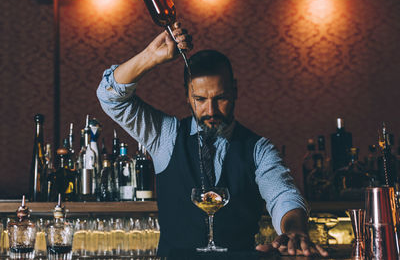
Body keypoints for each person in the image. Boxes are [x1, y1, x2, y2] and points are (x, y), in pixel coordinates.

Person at [97, 22, 328, 257]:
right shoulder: (164, 135)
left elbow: (283, 195)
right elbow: (110, 97)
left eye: (221, 98)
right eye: (200, 99)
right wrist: (150, 57)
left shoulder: (258, 149)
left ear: (235, 91)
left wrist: (294, 230)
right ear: (187, 95)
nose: (211, 111)